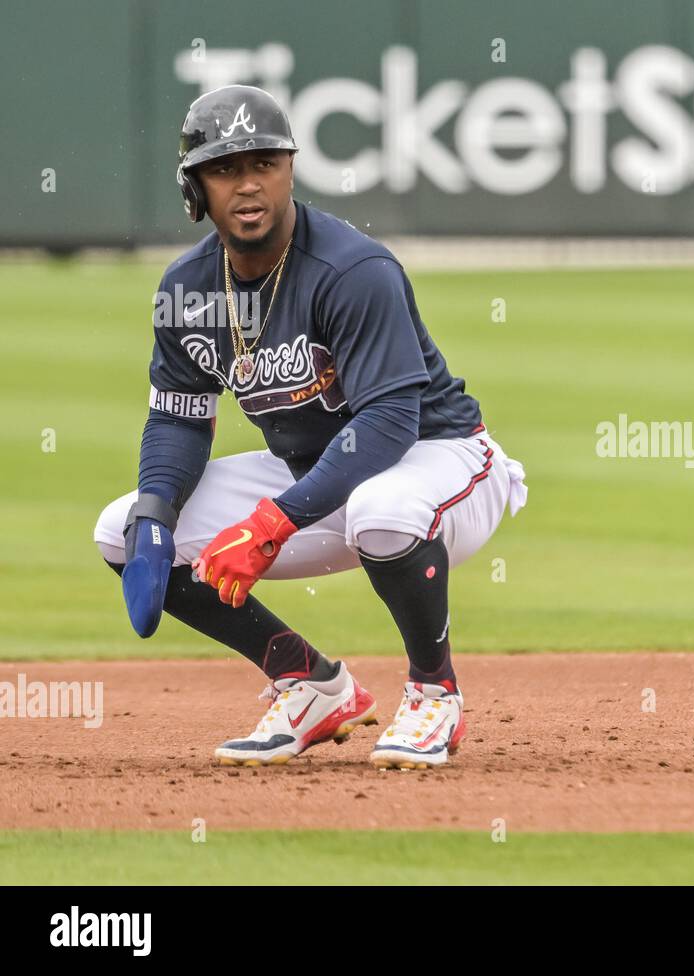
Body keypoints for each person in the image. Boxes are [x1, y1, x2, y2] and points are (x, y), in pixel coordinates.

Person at [93, 85, 527, 770]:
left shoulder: (353, 269)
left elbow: (388, 423)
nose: (248, 184)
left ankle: (433, 692)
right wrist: (154, 515)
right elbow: (178, 419)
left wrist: (273, 523)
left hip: (439, 460)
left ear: (291, 169)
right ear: (194, 188)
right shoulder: (186, 288)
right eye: (226, 168)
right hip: (320, 483)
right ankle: (311, 685)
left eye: (265, 163)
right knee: (118, 528)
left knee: (382, 510)